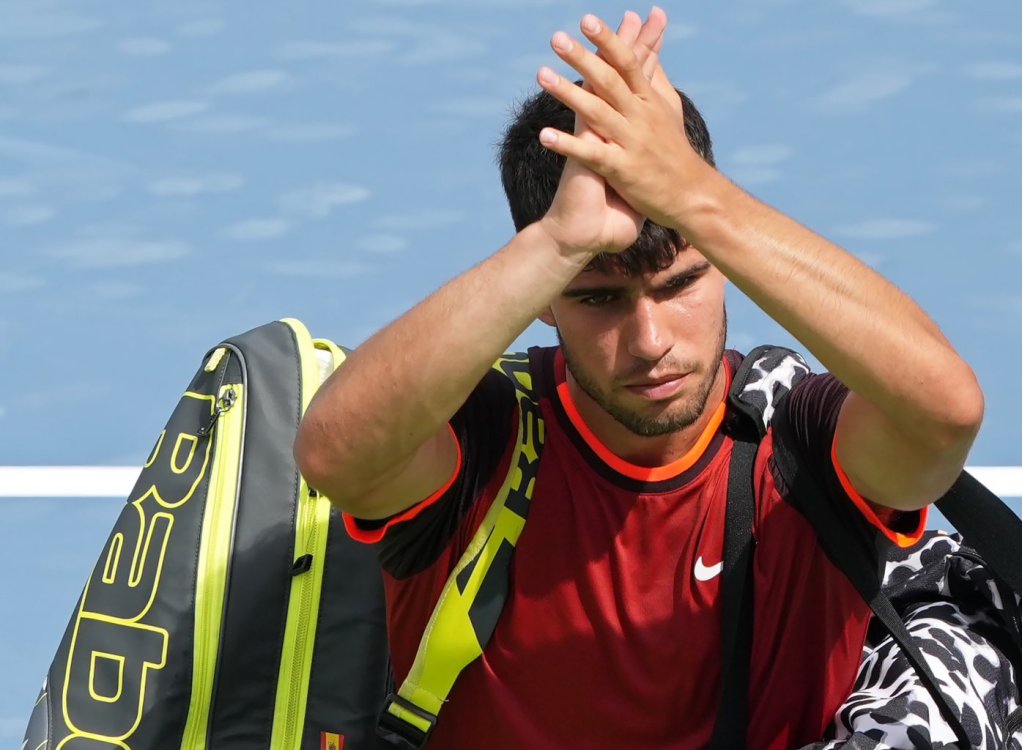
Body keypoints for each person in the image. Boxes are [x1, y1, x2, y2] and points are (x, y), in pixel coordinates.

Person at [294, 7, 984, 749]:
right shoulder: (485, 444)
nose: (651, 342)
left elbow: (944, 411)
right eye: (598, 298)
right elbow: (336, 453)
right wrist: (559, 240)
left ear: (723, 262)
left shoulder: (800, 451)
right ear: (544, 303)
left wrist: (694, 197)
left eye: (681, 283)